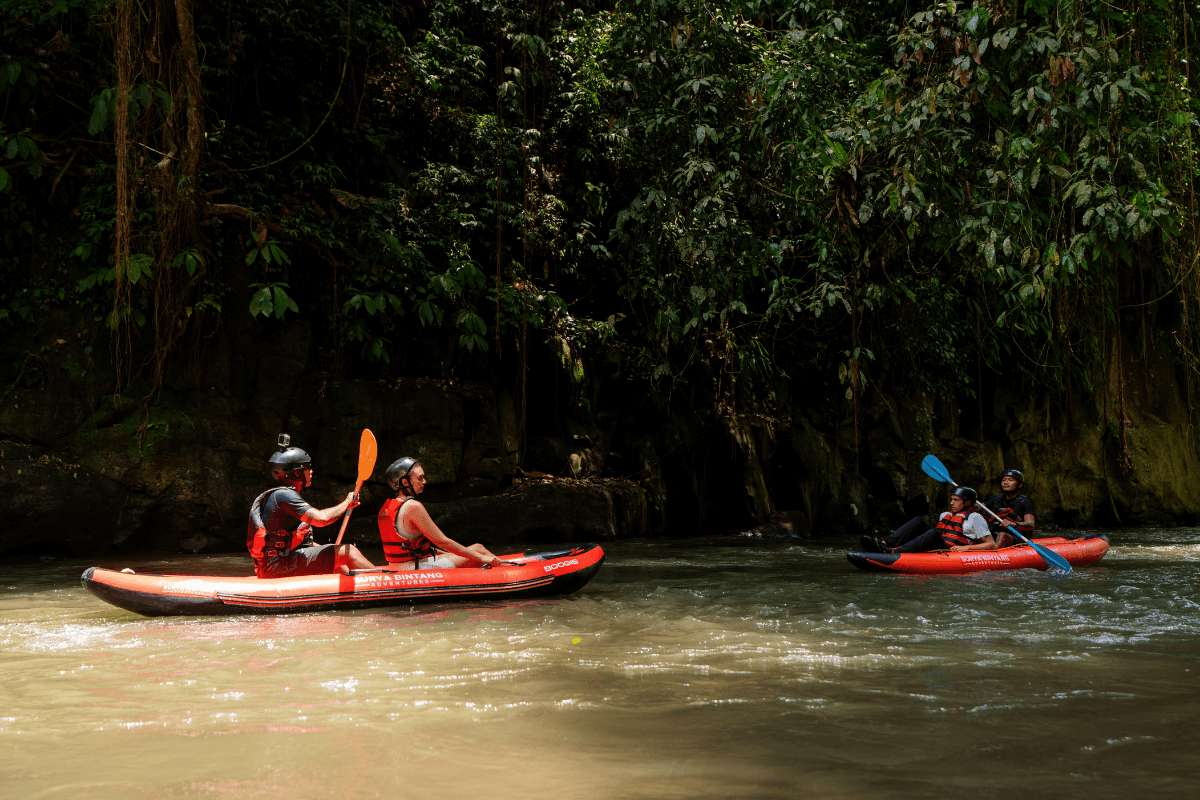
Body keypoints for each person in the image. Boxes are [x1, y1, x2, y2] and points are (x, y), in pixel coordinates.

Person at [246, 434, 375, 578]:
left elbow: (299, 543)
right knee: (349, 551)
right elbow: (322, 519)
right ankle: (381, 583)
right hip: (279, 567)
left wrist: (331, 551)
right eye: (308, 467)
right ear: (296, 473)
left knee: (339, 562)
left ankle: (359, 589)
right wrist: (347, 503)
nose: (311, 471)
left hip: (271, 567)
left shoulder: (278, 496)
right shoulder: (284, 496)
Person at [377, 457, 503, 569]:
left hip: (396, 566)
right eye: (420, 478)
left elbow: (413, 546)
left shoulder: (387, 507)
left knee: (474, 550)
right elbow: (442, 541)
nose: (424, 481)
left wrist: (452, 554)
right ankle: (506, 570)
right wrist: (481, 558)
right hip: (412, 569)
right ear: (405, 482)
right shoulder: (413, 506)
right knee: (479, 550)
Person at [861, 487, 995, 554]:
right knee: (918, 520)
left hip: (949, 551)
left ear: (967, 503)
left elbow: (991, 545)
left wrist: (967, 547)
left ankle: (893, 552)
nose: (951, 503)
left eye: (956, 500)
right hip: (938, 546)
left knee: (934, 533)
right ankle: (885, 543)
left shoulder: (975, 518)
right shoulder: (944, 515)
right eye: (951, 499)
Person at [985, 469, 1036, 548]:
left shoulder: (1025, 502)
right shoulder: (996, 499)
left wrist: (1014, 524)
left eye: (1010, 480)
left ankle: (994, 556)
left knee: (1002, 535)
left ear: (1020, 484)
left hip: (1018, 538)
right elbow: (979, 507)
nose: (1006, 482)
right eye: (1004, 480)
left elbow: (1030, 524)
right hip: (995, 535)